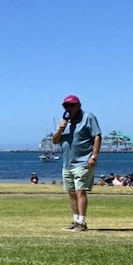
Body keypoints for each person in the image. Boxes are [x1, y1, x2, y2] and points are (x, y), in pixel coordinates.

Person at [52, 94, 102, 231]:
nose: (68, 108)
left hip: (83, 161)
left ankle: (82, 222)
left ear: (78, 105)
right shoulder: (65, 122)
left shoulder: (88, 117)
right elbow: (55, 141)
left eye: (71, 105)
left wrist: (94, 156)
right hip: (67, 163)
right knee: (71, 192)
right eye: (66, 105)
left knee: (80, 191)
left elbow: (97, 136)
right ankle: (75, 220)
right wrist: (60, 128)